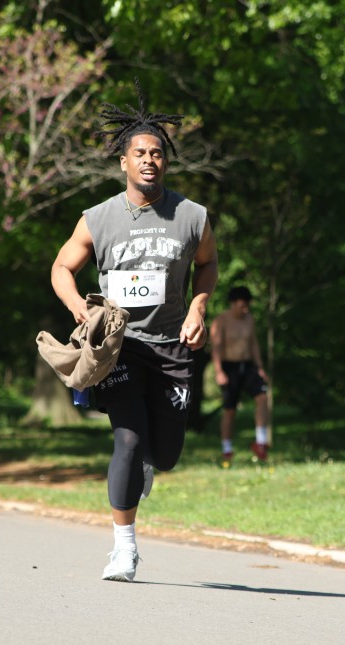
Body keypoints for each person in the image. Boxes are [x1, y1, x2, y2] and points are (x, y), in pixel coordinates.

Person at [50, 84, 217, 582]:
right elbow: (62, 267)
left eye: (157, 153)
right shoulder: (98, 219)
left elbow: (207, 266)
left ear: (166, 162)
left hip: (171, 347)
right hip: (119, 347)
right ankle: (124, 550)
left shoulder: (191, 216)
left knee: (164, 454)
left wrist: (199, 305)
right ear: (124, 162)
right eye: (140, 153)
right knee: (127, 439)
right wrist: (79, 308)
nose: (149, 160)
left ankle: (146, 462)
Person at [210, 286, 270, 464]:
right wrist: (219, 371)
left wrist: (259, 367)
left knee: (262, 397)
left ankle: (261, 442)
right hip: (229, 367)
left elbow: (254, 344)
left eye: (247, 306)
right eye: (242, 306)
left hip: (249, 365)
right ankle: (227, 449)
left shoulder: (249, 319)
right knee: (230, 410)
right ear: (233, 303)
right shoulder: (221, 321)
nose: (245, 310)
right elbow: (216, 348)